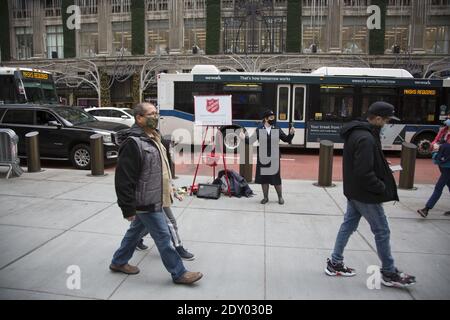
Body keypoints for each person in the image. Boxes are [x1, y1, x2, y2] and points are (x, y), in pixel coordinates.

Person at [109, 102, 202, 285]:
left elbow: (161, 169)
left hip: (157, 196)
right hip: (146, 200)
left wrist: (170, 189)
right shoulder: (133, 143)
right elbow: (123, 179)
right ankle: (179, 273)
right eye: (151, 114)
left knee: (135, 233)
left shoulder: (154, 136)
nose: (155, 116)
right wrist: (127, 208)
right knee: (163, 237)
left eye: (156, 113)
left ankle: (118, 262)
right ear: (139, 118)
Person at [325, 101, 416, 288]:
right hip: (365, 194)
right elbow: (364, 172)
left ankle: (335, 263)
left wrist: (381, 166)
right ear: (377, 118)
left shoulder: (358, 133)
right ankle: (389, 272)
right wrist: (381, 187)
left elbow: (363, 163)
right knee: (382, 231)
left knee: (348, 225)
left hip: (354, 191)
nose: (387, 124)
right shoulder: (366, 138)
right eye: (386, 120)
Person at [135, 136, 195, 260]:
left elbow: (166, 176)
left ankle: (134, 241)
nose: (173, 152)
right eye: (171, 148)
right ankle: (178, 248)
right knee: (170, 222)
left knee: (145, 224)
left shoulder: (163, 155)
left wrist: (175, 191)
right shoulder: (155, 155)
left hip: (157, 193)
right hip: (155, 195)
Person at [241, 109, 295, 205]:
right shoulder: (260, 129)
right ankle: (265, 198)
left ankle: (280, 197)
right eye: (271, 117)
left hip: (274, 157)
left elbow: (286, 139)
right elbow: (250, 141)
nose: (273, 119)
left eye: (273, 117)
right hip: (263, 157)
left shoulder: (276, 128)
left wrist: (291, 134)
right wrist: (243, 138)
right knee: (264, 178)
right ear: (265, 119)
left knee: (276, 178)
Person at [417, 141, 450, 217]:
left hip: (447, 168)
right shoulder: (443, 137)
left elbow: (439, 159)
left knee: (438, 188)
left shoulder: (445, 143)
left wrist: (435, 154)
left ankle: (426, 209)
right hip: (445, 167)